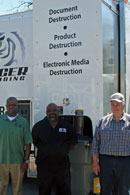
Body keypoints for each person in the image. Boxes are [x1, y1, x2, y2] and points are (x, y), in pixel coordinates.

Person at [32, 103, 77, 195]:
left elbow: (73, 142)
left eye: (54, 111)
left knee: (64, 191)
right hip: (44, 166)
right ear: (46, 112)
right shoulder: (38, 126)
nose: (52, 113)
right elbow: (35, 142)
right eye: (49, 111)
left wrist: (62, 151)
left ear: (59, 112)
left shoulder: (66, 126)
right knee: (44, 191)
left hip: (62, 166)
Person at [92, 92, 130, 195]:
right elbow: (95, 143)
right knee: (105, 190)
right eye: (113, 104)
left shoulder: (129, 122)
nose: (115, 107)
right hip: (106, 161)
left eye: (118, 104)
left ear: (123, 105)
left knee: (123, 190)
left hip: (125, 162)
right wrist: (95, 163)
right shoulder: (102, 122)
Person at [0, 97, 32, 195]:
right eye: (9, 105)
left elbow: (28, 143)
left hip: (18, 161)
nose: (11, 107)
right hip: (1, 160)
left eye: (13, 105)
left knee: (17, 189)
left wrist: (26, 161)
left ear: (17, 106)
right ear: (6, 106)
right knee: (1, 188)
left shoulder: (23, 122)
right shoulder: (0, 120)